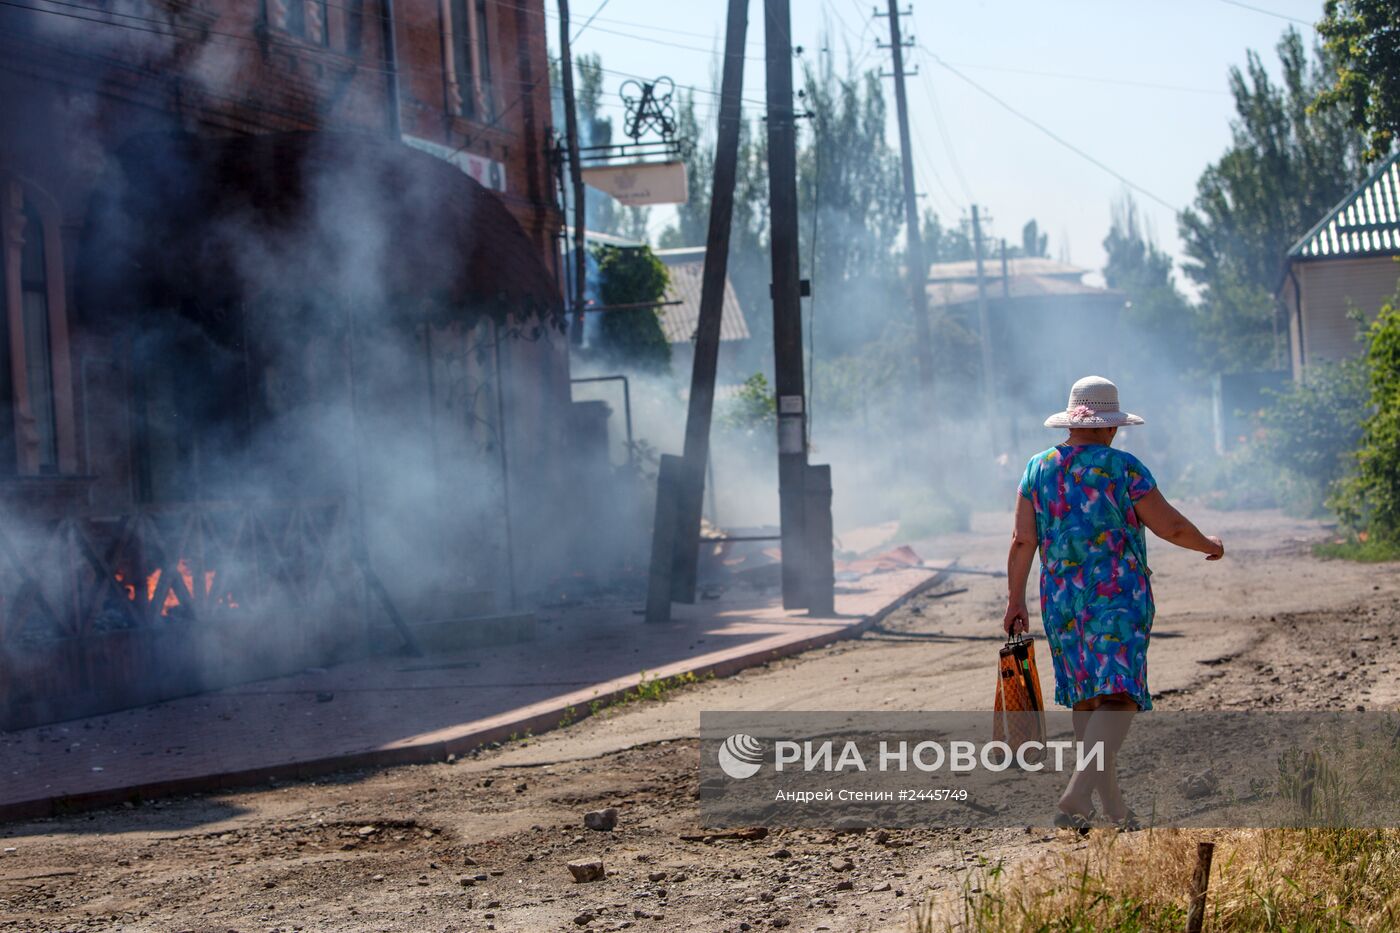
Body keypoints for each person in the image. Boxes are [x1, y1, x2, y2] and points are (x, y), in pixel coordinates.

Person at [1003, 375, 1224, 832]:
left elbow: (1023, 539)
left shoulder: (1037, 469)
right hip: (1117, 599)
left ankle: (1115, 811)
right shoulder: (1123, 468)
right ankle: (1075, 795)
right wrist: (1209, 543)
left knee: (1089, 702)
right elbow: (1171, 527)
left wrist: (1014, 600)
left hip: (1062, 601)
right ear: (1110, 426)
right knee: (1119, 696)